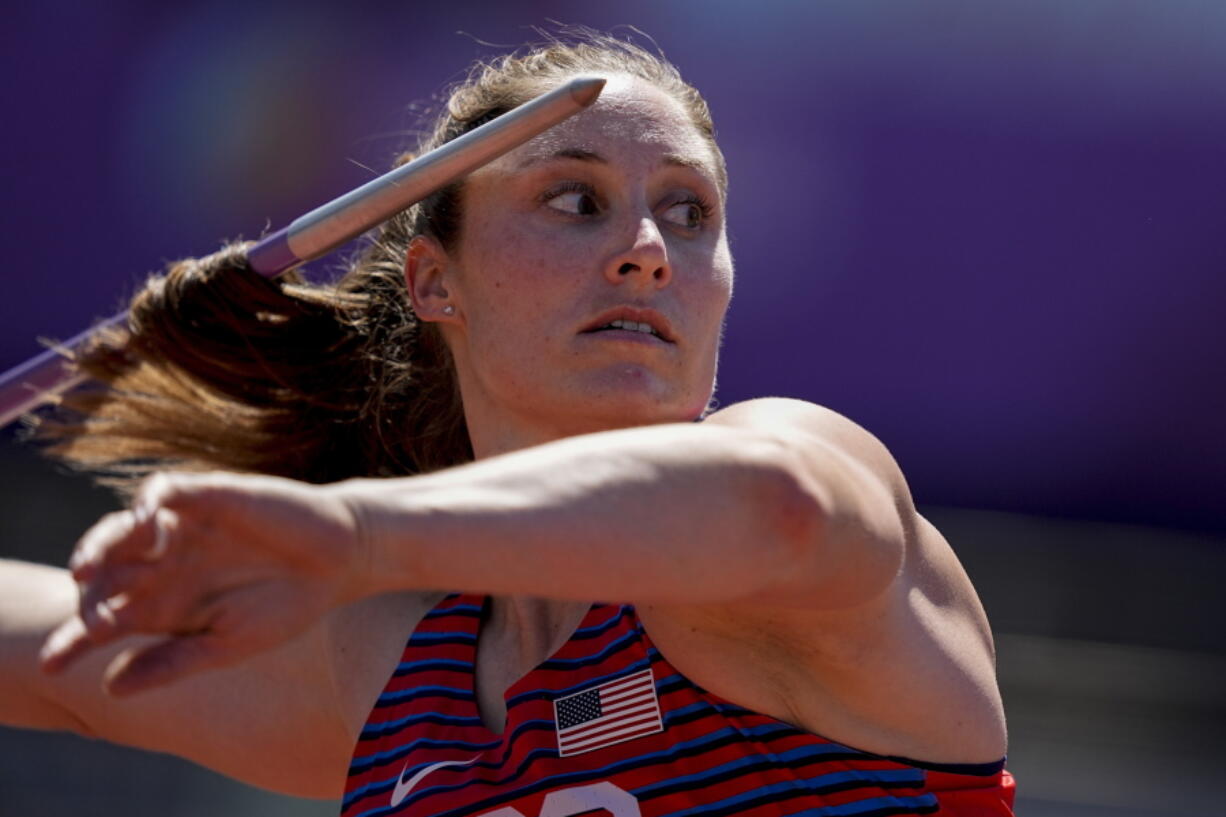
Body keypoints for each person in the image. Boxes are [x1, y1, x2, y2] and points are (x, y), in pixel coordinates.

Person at [0, 33, 1014, 817]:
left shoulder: (792, 498)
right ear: (437, 280)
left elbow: (776, 508)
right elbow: (57, 659)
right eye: (575, 199)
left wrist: (356, 536)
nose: (648, 251)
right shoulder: (394, 676)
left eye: (689, 212)